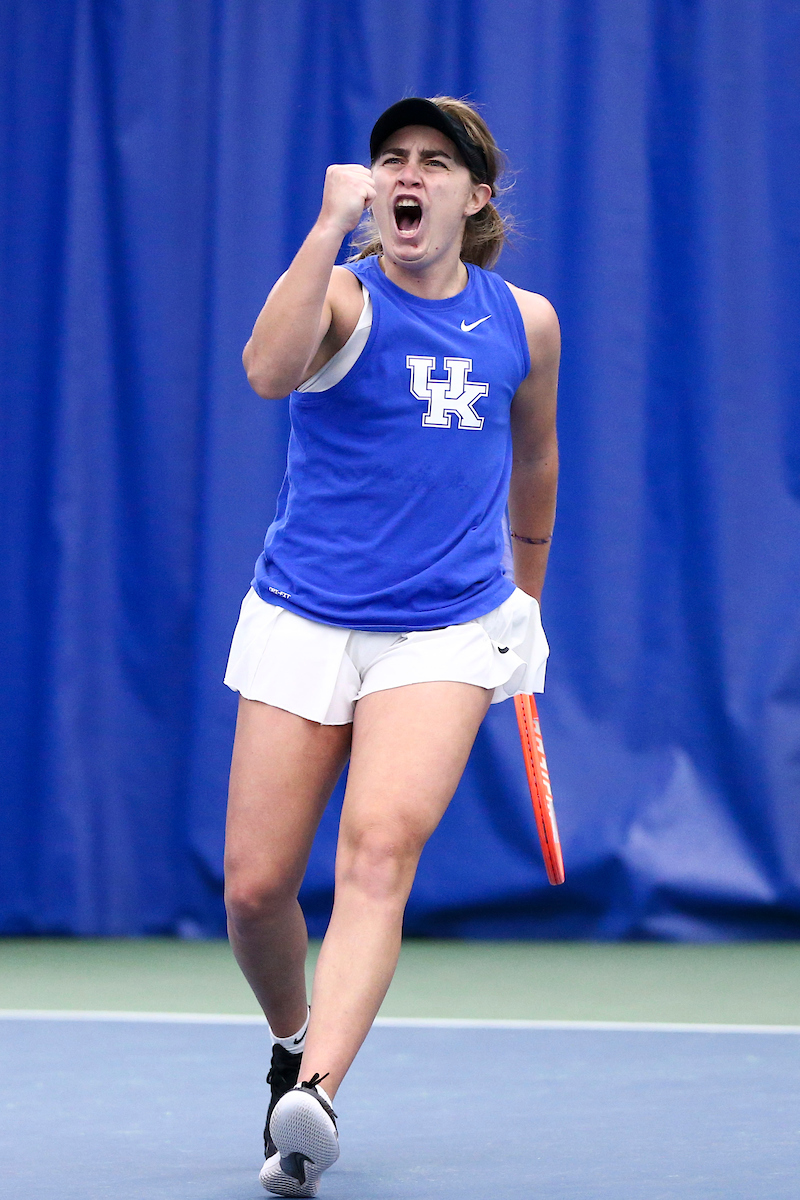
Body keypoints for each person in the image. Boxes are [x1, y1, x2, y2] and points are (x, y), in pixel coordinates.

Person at [223, 96, 560, 1197]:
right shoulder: (335, 295)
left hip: (448, 627)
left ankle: (313, 1095)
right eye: (389, 160)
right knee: (256, 889)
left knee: (376, 856)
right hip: (303, 613)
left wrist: (525, 599)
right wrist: (323, 231)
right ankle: (291, 1038)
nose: (405, 175)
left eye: (431, 162)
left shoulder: (525, 322)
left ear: (474, 195)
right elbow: (266, 373)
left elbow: (535, 459)